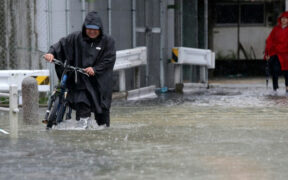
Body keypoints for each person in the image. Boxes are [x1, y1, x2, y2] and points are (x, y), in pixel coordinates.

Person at [44, 11, 116, 129]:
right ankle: (82, 125)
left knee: (102, 117)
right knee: (82, 101)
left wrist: (95, 69)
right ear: (84, 28)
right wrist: (51, 54)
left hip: (100, 81)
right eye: (89, 29)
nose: (92, 32)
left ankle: (103, 130)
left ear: (100, 29)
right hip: (81, 79)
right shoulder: (76, 38)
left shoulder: (108, 41)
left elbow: (109, 59)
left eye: (95, 29)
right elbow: (60, 45)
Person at [265, 11, 288, 94]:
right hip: (276, 53)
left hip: (286, 54)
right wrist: (267, 53)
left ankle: (287, 88)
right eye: (282, 18)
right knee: (275, 70)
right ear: (280, 19)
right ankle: (275, 88)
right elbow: (269, 41)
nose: (284, 20)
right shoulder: (276, 29)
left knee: (287, 72)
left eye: (286, 19)